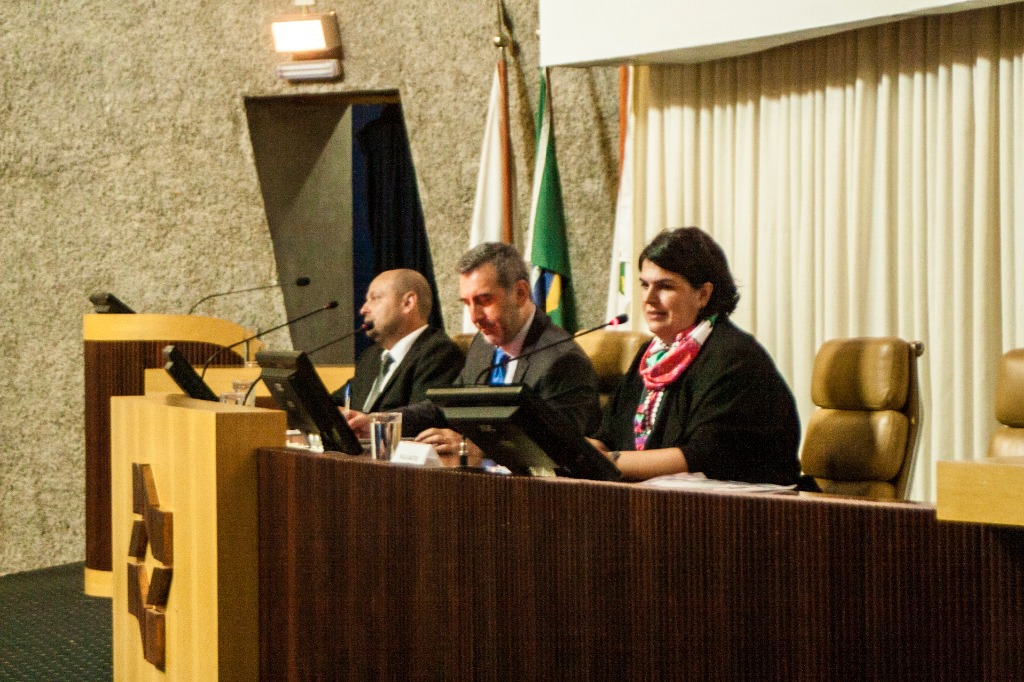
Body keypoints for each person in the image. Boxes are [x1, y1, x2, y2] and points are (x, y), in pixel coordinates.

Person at [347, 243, 601, 462]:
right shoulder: (483, 345)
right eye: (467, 303)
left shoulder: (561, 360)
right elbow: (446, 405)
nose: (474, 317)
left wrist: (478, 448)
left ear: (520, 294)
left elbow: (561, 450)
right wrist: (378, 421)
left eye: (484, 300)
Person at [588, 227, 801, 485]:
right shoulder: (651, 355)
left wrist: (603, 462)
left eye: (665, 287)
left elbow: (701, 457)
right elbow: (608, 438)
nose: (649, 298)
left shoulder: (732, 356)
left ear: (703, 294)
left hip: (738, 509)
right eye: (644, 285)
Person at [332, 269, 464, 413]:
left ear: (408, 303)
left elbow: (427, 415)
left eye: (375, 298)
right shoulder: (370, 357)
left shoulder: (438, 352)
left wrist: (371, 423)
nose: (363, 309)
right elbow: (332, 402)